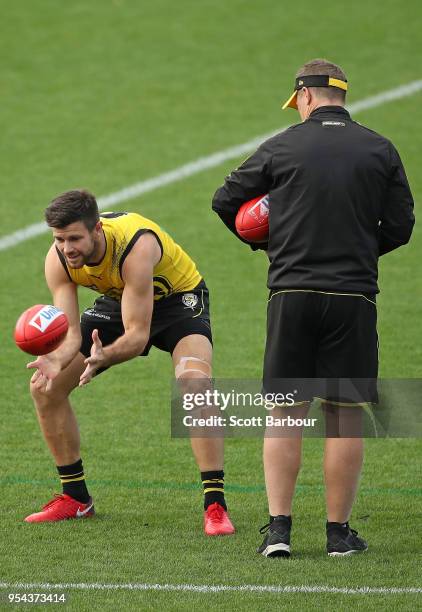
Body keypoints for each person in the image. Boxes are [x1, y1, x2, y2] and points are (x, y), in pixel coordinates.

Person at [212, 59, 414, 556]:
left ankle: (278, 532)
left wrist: (274, 245)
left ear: (304, 97)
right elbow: (402, 227)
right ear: (341, 97)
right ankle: (338, 535)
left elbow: (225, 201)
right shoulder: (380, 148)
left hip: (291, 295)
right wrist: (361, 251)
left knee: (285, 413)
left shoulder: (281, 145)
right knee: (344, 416)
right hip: (353, 297)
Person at [25, 189, 235, 536]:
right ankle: (76, 498)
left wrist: (106, 356)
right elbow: (71, 332)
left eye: (75, 238)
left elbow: (137, 336)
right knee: (45, 389)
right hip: (120, 299)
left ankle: (215, 505)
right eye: (60, 239)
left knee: (195, 384)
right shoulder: (58, 259)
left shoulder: (135, 245)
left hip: (178, 301)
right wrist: (57, 359)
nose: (67, 248)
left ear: (97, 230)